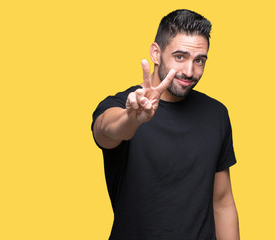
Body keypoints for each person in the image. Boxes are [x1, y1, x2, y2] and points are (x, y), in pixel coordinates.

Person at [91, 9, 240, 240]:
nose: (190, 72)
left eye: (199, 60)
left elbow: (222, 202)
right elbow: (105, 132)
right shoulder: (124, 105)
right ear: (156, 53)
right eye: (180, 57)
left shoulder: (216, 113)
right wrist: (131, 118)